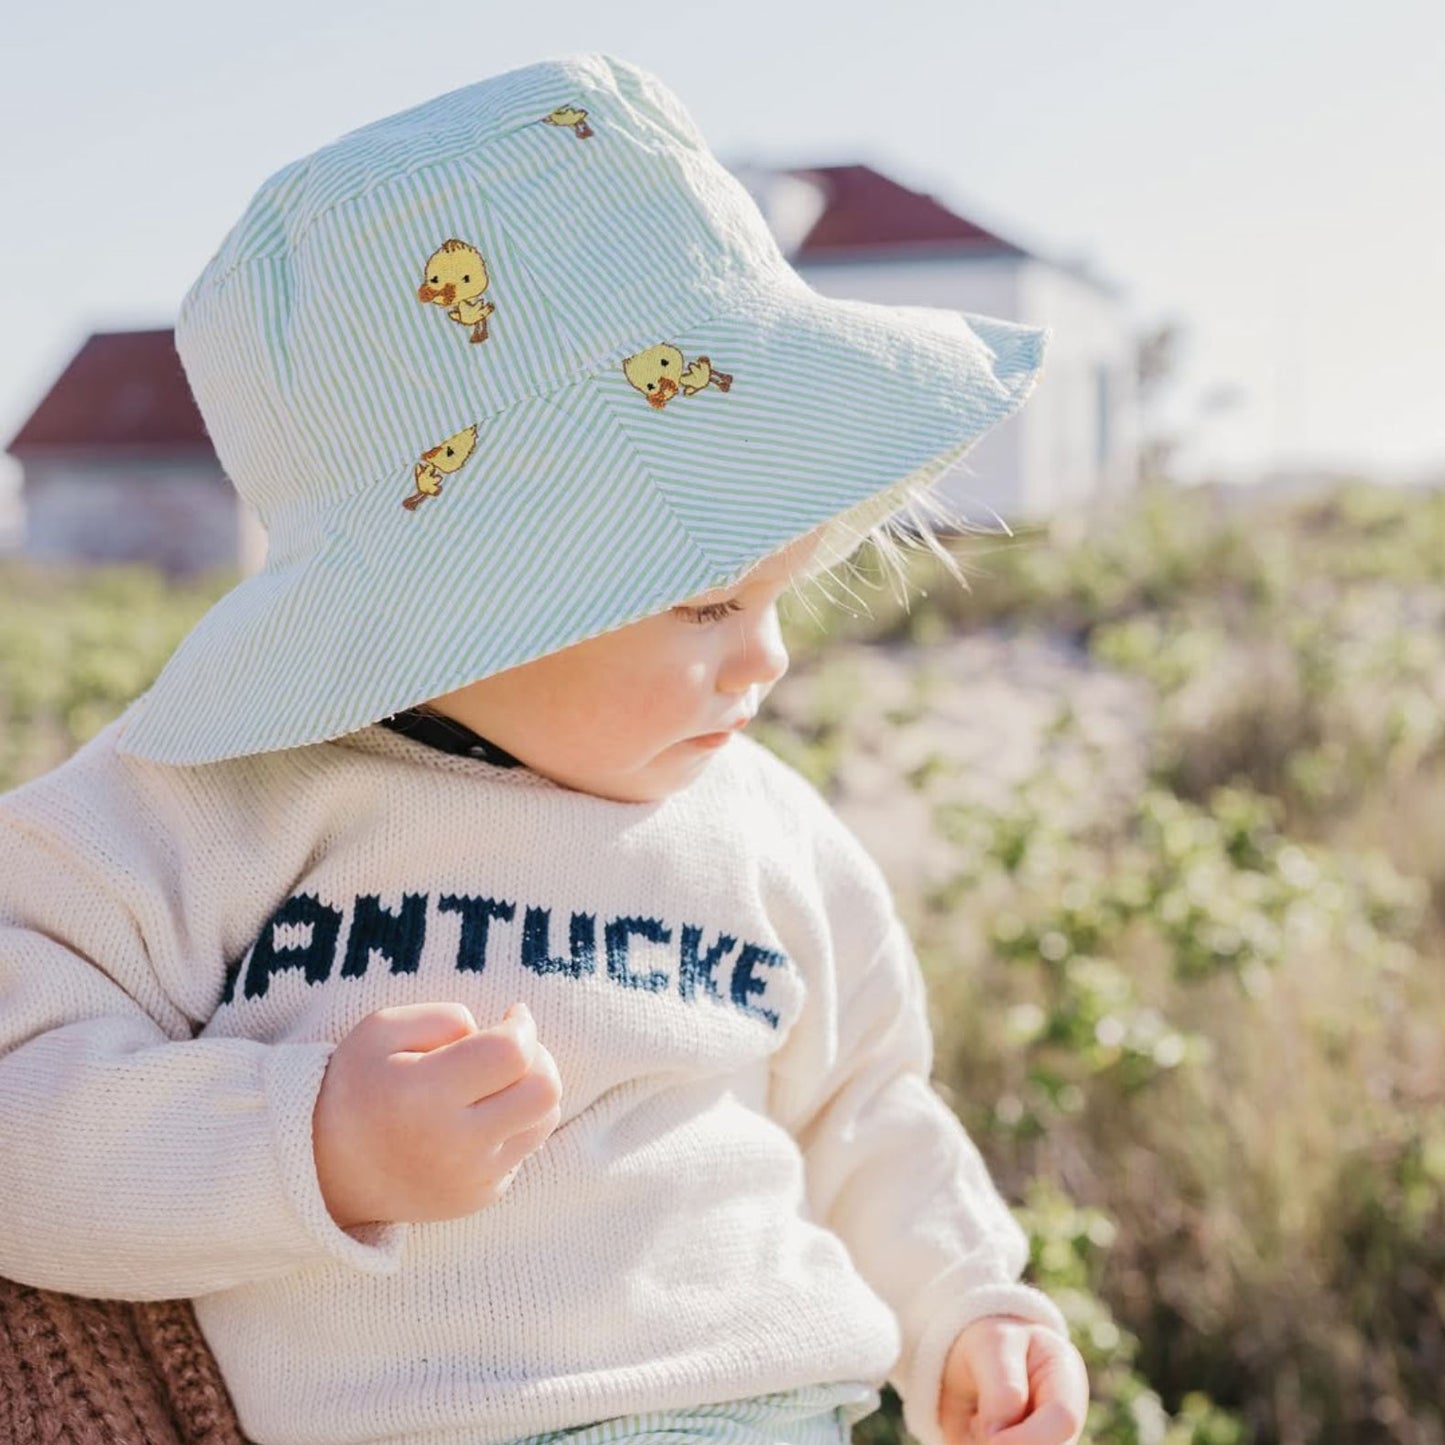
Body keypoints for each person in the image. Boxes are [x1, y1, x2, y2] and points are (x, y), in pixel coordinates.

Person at [0, 51, 1089, 1445]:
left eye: (777, 594)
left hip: (765, 1408)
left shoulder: (764, 828)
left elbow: (863, 1106)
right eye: (709, 602)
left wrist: (970, 1303)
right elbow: (23, 1102)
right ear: (470, 596)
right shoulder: (217, 802)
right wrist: (312, 1139)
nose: (765, 658)